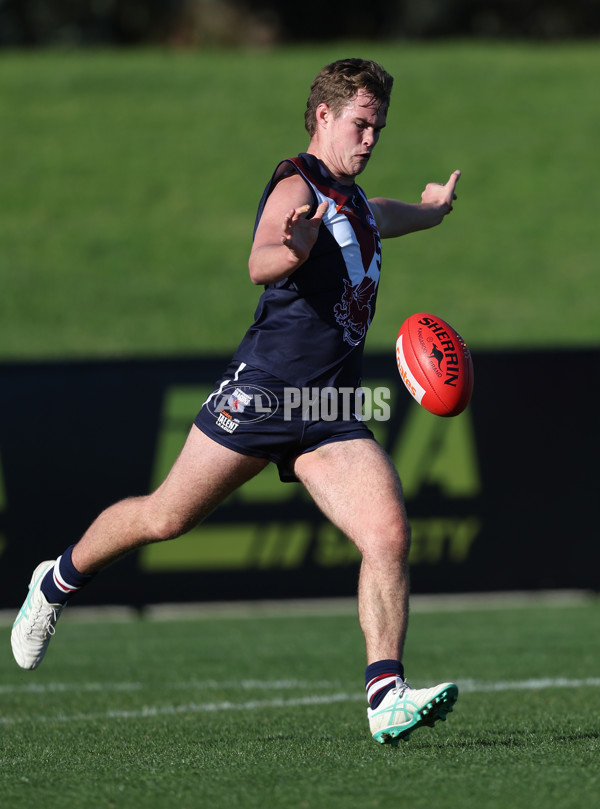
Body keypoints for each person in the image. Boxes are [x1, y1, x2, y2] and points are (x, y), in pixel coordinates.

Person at [11, 58, 461, 745]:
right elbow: (258, 258)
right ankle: (57, 580)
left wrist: (431, 211)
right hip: (262, 394)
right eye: (361, 124)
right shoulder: (296, 185)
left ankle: (385, 695)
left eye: (380, 128)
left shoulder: (358, 201)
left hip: (327, 413)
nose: (372, 139)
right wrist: (291, 248)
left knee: (388, 532)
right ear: (323, 117)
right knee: (165, 516)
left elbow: (383, 216)